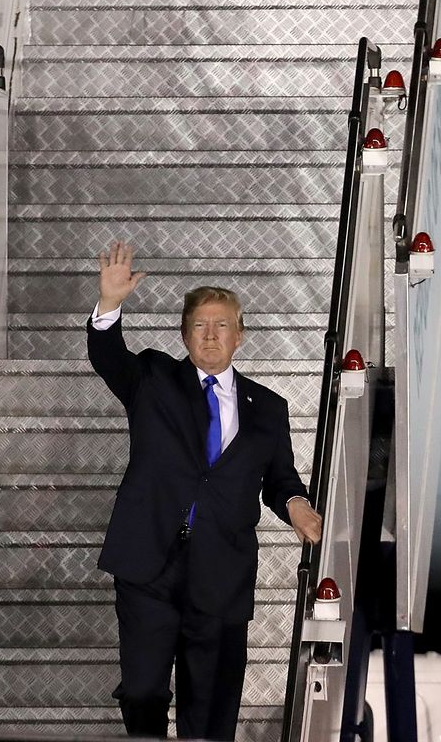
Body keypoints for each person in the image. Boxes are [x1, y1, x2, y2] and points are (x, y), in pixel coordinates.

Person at [87, 241, 323, 741]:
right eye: (199, 324)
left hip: (222, 571)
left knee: (211, 704)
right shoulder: (153, 377)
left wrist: (298, 506)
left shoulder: (269, 408)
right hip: (149, 561)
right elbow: (107, 356)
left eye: (222, 325)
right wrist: (110, 305)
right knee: (144, 689)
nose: (210, 334)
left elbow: (280, 478)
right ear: (184, 333)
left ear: (240, 336)